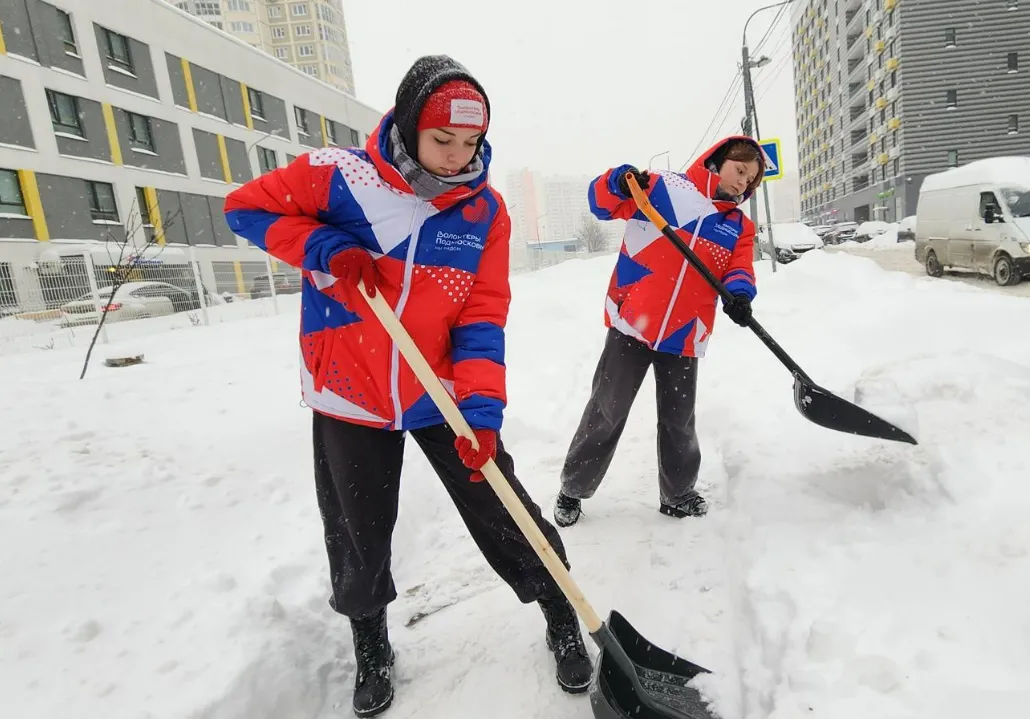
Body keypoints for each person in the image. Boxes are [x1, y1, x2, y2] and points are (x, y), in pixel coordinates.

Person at [223, 55, 592, 718]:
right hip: (349, 389)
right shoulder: (339, 178)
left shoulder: (484, 212)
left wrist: (481, 412)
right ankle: (371, 643)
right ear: (409, 125)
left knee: (502, 505)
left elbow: (482, 315)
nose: (457, 157)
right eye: (442, 140)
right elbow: (245, 211)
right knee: (357, 526)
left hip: (441, 391)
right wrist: (324, 251)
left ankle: (559, 608)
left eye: (471, 143)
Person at [553, 136, 766, 527]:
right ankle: (573, 488)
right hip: (632, 322)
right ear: (718, 162)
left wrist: (739, 295)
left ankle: (678, 494)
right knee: (607, 410)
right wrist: (616, 181)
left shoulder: (738, 225)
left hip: (686, 332)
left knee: (678, 420)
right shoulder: (664, 188)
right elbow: (602, 204)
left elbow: (739, 269)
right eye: (740, 171)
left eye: (751, 181)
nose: (743, 183)